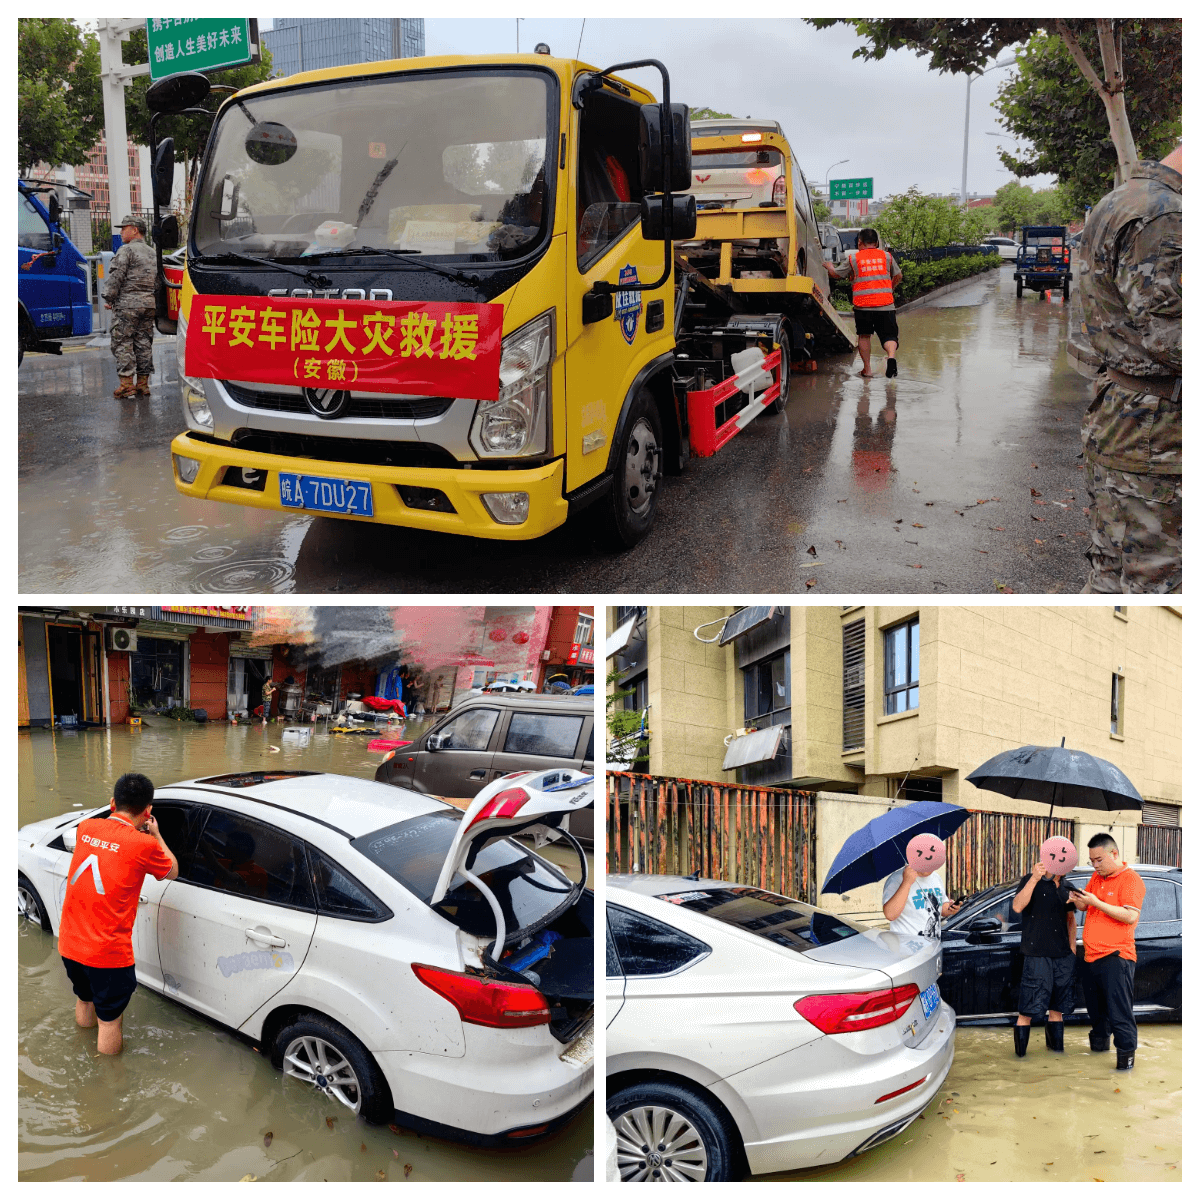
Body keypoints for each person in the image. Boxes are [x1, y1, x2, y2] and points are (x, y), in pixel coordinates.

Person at [1076, 144, 1181, 594]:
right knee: (1158, 581)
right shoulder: (1165, 216)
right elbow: (1171, 340)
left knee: (1112, 571)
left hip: (1130, 415)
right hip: (1155, 432)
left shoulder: (1124, 198)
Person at [56, 773, 179, 1055]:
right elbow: (172, 871)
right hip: (107, 955)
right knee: (109, 1022)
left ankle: (82, 1050)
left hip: (70, 944)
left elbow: (109, 849)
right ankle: (107, 1084)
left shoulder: (86, 827)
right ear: (148, 811)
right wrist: (156, 834)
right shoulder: (145, 845)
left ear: (113, 802)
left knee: (85, 999)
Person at [1070, 833, 1145, 1070]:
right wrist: (1078, 899)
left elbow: (1130, 915)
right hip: (1091, 957)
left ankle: (1125, 1066)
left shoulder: (1131, 880)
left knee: (1119, 1014)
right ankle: (1098, 1058)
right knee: (1097, 1015)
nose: (1095, 865)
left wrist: (1095, 902)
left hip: (1116, 956)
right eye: (1092, 860)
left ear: (1114, 854)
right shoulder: (1096, 877)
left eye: (1099, 860)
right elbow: (1086, 906)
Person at [1010, 837, 1078, 1057]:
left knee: (1057, 1011)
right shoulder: (1030, 880)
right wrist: (1035, 878)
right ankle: (1020, 1059)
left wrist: (1072, 950)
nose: (1059, 860)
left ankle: (1056, 1055)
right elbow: (1018, 907)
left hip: (1062, 958)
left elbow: (1071, 920)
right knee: (1027, 1011)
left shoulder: (1068, 887)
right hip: (1036, 955)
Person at [824, 227, 904, 378]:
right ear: (877, 242)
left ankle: (867, 370)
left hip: (863, 306)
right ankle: (891, 357)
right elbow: (898, 275)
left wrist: (829, 266)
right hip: (885, 304)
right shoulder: (887, 257)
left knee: (864, 336)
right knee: (889, 336)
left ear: (860, 242)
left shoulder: (854, 259)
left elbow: (836, 274)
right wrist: (889, 289)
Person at [104, 215, 158, 399]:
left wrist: (109, 297)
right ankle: (143, 385)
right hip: (148, 304)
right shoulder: (153, 252)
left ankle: (126, 385)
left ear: (135, 230)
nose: (120, 232)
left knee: (122, 342)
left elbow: (117, 275)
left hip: (128, 304)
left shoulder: (126, 250)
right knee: (143, 343)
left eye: (123, 228)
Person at [881, 833, 962, 941]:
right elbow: (890, 914)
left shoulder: (936, 877)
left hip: (933, 947)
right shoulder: (896, 879)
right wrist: (907, 883)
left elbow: (941, 908)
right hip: (906, 950)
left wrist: (951, 909)